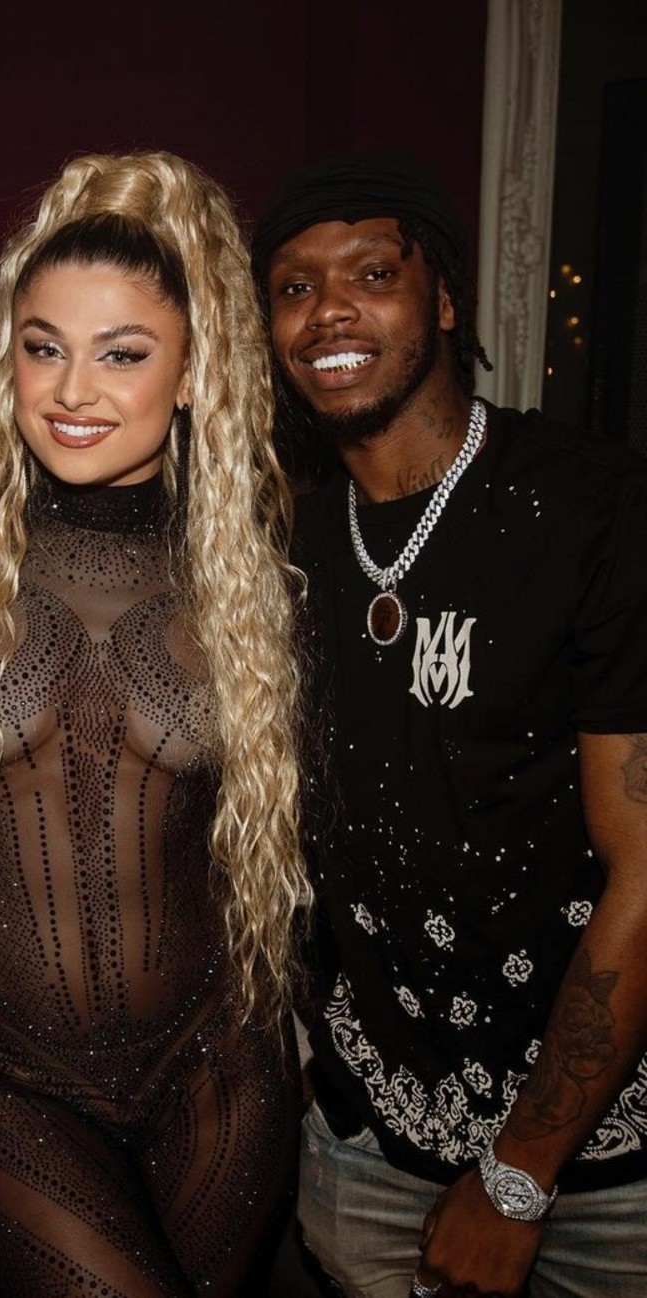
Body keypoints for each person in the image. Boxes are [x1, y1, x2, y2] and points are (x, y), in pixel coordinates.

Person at [0, 150, 312, 1298]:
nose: (73, 389)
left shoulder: (254, 584)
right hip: (0, 1073)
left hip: (216, 1067)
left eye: (122, 353)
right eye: (44, 348)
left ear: (191, 373)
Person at [251, 154, 647, 1298]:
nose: (329, 310)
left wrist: (519, 1174)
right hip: (366, 1144)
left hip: (597, 1168)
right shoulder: (281, 545)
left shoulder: (593, 506)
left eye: (372, 273)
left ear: (444, 302)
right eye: (294, 288)